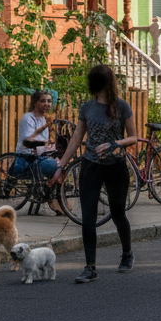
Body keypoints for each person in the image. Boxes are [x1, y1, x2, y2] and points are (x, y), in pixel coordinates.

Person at [51, 65, 138, 283]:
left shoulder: (121, 106)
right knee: (87, 217)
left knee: (118, 212)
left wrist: (115, 143)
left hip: (116, 166)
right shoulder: (87, 107)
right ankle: (90, 267)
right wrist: (61, 165)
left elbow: (134, 137)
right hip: (90, 166)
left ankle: (127, 253)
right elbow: (76, 139)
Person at [16, 90, 64, 216]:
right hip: (27, 159)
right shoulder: (28, 118)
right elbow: (28, 140)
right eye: (43, 101)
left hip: (40, 157)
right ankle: (52, 198)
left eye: (49, 101)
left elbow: (44, 143)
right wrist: (44, 133)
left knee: (63, 165)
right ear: (35, 102)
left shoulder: (44, 119)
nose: (47, 104)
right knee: (55, 166)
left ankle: (56, 197)